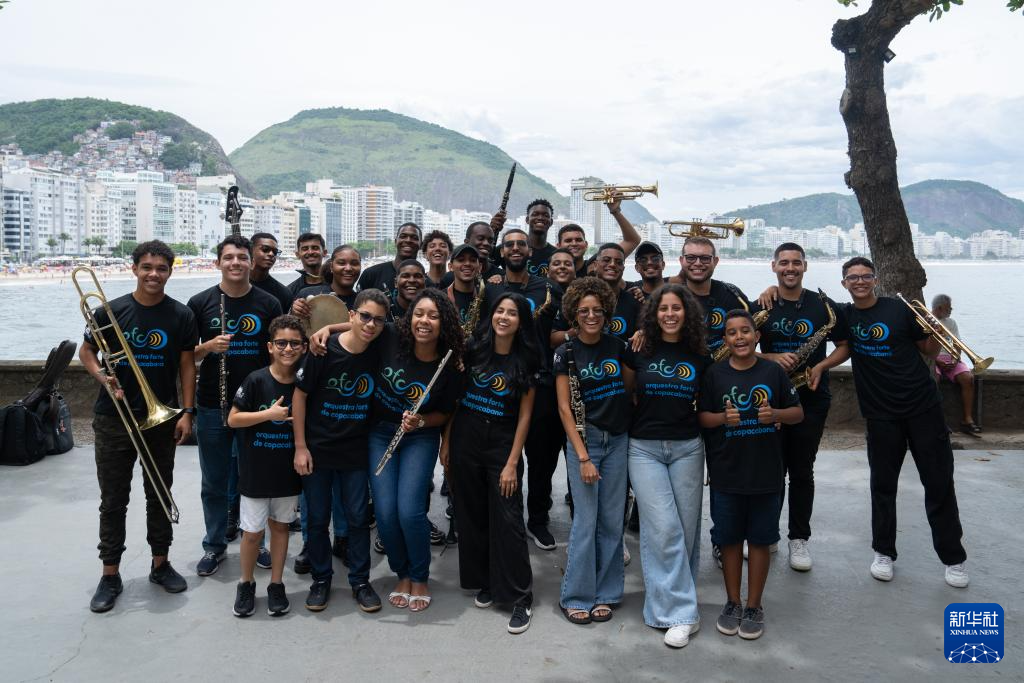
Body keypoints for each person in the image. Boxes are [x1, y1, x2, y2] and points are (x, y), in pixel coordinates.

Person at [81, 240, 197, 613]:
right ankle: (110, 574)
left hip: (161, 419)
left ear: (170, 272)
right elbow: (86, 351)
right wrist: (102, 376)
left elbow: (187, 366)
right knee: (113, 500)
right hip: (113, 418)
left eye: (161, 268)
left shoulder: (181, 315)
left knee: (159, 495)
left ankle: (160, 565)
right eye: (147, 267)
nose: (153, 274)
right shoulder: (109, 310)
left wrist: (187, 412)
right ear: (134, 269)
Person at [838, 257, 969, 588]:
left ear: (875, 280)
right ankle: (883, 552)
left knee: (939, 483)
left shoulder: (898, 309)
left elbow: (928, 350)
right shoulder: (844, 315)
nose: (859, 281)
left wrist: (935, 329)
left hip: (923, 408)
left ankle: (953, 558)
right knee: (882, 486)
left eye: (865, 276)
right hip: (880, 415)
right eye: (853, 277)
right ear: (844, 284)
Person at [698, 310, 803, 641]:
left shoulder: (773, 372)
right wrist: (722, 419)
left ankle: (754, 605)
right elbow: (702, 417)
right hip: (726, 473)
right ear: (725, 340)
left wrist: (776, 413)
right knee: (728, 539)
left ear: (757, 337)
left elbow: (798, 413)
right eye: (732, 332)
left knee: (760, 540)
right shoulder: (714, 374)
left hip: (766, 473)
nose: (739, 337)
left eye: (746, 331)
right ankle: (732, 602)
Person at [442, 292, 539, 634]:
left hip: (502, 443)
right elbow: (456, 399)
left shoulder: (527, 359)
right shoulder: (473, 350)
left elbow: (525, 416)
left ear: (520, 322)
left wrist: (512, 462)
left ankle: (520, 597)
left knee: (508, 519)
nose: (504, 317)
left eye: (512, 313)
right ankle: (485, 581)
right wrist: (447, 441)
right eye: (500, 311)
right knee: (472, 514)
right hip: (466, 437)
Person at [188, 234, 283, 577]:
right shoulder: (200, 302)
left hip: (256, 408)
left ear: (250, 262)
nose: (235, 263)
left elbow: (279, 352)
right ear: (218, 263)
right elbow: (186, 356)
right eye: (228, 257)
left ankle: (255, 542)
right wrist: (208, 347)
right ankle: (214, 546)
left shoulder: (269, 303)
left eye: (242, 257)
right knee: (214, 482)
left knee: (255, 481)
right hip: (213, 404)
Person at [292, 290, 390, 613]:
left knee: (358, 519)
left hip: (355, 452)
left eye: (378, 320)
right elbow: (300, 396)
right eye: (365, 316)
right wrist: (300, 447)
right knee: (318, 519)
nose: (370, 324)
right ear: (351, 315)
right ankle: (321, 579)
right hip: (318, 449)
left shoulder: (379, 349)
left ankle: (360, 581)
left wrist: (329, 326)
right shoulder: (323, 350)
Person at [754, 243, 849, 572]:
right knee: (771, 471)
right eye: (784, 263)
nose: (790, 268)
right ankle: (768, 534)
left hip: (812, 397)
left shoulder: (823, 305)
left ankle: (799, 538)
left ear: (805, 266)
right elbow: (739, 346)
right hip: (771, 399)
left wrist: (821, 366)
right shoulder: (762, 304)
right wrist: (770, 357)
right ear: (774, 267)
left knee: (802, 471)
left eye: (796, 263)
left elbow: (844, 345)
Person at [368, 288, 464, 612]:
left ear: (443, 323)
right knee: (385, 513)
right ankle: (403, 573)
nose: (424, 321)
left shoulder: (450, 363)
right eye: (419, 314)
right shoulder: (390, 336)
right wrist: (326, 329)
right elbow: (359, 326)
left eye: (433, 316)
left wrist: (421, 421)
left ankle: (420, 576)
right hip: (380, 434)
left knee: (409, 511)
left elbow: (446, 412)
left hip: (420, 437)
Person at [627, 284, 708, 648]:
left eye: (677, 308)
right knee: (664, 529)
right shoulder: (639, 349)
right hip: (644, 448)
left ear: (687, 312)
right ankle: (680, 614)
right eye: (663, 308)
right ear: (653, 314)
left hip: (687, 448)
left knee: (686, 532)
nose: (670, 314)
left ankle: (677, 604)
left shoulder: (700, 354)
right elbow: (627, 394)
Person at [553, 277, 635, 625]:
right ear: (574, 313)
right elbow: (564, 408)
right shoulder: (566, 352)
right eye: (584, 311)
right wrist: (583, 457)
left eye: (597, 311)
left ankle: (607, 592)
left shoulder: (619, 347)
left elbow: (628, 390)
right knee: (586, 522)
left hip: (617, 440)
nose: (591, 316)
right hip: (585, 443)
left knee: (612, 521)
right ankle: (576, 595)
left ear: (606, 313)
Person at [227, 315, 306, 617]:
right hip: (255, 471)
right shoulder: (256, 380)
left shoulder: (304, 382)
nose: (288, 349)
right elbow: (233, 419)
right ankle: (246, 583)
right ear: (270, 347)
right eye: (281, 343)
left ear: (303, 347)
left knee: (281, 528)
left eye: (294, 343)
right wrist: (268, 415)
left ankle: (276, 584)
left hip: (287, 472)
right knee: (252, 533)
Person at [496, 228, 563, 550]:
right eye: (509, 244)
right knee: (506, 456)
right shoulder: (491, 288)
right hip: (503, 384)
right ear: (502, 252)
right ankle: (508, 519)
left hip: (541, 382)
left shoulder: (549, 288)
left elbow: (563, 328)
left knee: (542, 459)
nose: (515, 248)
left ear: (530, 251)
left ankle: (538, 519)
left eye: (521, 244)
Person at [670, 236, 751, 357]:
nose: (698, 263)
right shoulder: (670, 297)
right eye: (691, 258)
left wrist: (772, 289)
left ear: (716, 261)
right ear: (682, 261)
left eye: (705, 258)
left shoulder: (733, 294)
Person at [931, 294, 981, 435]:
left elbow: (957, 344)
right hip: (933, 358)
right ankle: (936, 420)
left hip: (950, 358)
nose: (951, 310)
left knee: (968, 378)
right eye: (949, 308)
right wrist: (936, 360)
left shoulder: (951, 322)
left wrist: (954, 359)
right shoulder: (927, 320)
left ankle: (967, 420)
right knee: (933, 379)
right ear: (939, 308)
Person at [357, 222, 422, 300]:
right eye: (403, 236)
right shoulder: (370, 275)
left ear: (421, 244)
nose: (408, 240)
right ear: (395, 241)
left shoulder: (424, 281)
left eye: (414, 237)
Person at [446, 244, 497, 335]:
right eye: (461, 260)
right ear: (450, 267)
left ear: (480, 267)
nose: (467, 264)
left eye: (473, 260)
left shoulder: (489, 297)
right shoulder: (440, 297)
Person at [250, 232, 293, 313]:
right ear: (250, 250)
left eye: (275, 252)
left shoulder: (284, 293)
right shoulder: (233, 285)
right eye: (265, 249)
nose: (271, 254)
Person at [287, 232, 326, 300]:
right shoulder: (290, 291)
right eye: (305, 249)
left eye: (315, 248)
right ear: (297, 254)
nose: (310, 252)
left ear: (324, 252)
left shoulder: (337, 284)